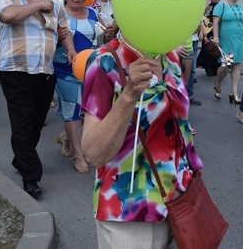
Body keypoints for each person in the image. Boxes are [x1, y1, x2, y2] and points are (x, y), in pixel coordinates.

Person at [80, 30, 203, 246]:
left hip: (181, 202)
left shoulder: (171, 55)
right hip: (129, 212)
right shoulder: (105, 60)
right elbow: (93, 154)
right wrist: (129, 94)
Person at [0, 0, 75, 198]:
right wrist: (40, 6)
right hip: (15, 70)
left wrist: (70, 49)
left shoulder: (55, 3)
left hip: (44, 71)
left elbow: (63, 29)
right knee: (21, 122)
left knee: (36, 122)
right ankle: (31, 177)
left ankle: (21, 159)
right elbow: (8, 17)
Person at [53, 0, 98, 174]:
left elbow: (103, 36)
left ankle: (65, 137)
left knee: (86, 112)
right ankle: (80, 156)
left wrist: (110, 33)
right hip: (64, 70)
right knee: (73, 109)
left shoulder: (94, 14)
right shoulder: (57, 15)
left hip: (91, 70)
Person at [212, 0, 243, 103]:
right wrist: (215, 37)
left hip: (239, 38)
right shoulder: (221, 5)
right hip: (226, 39)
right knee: (226, 66)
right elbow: (215, 22)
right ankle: (218, 84)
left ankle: (234, 92)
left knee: (236, 65)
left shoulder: (241, 7)